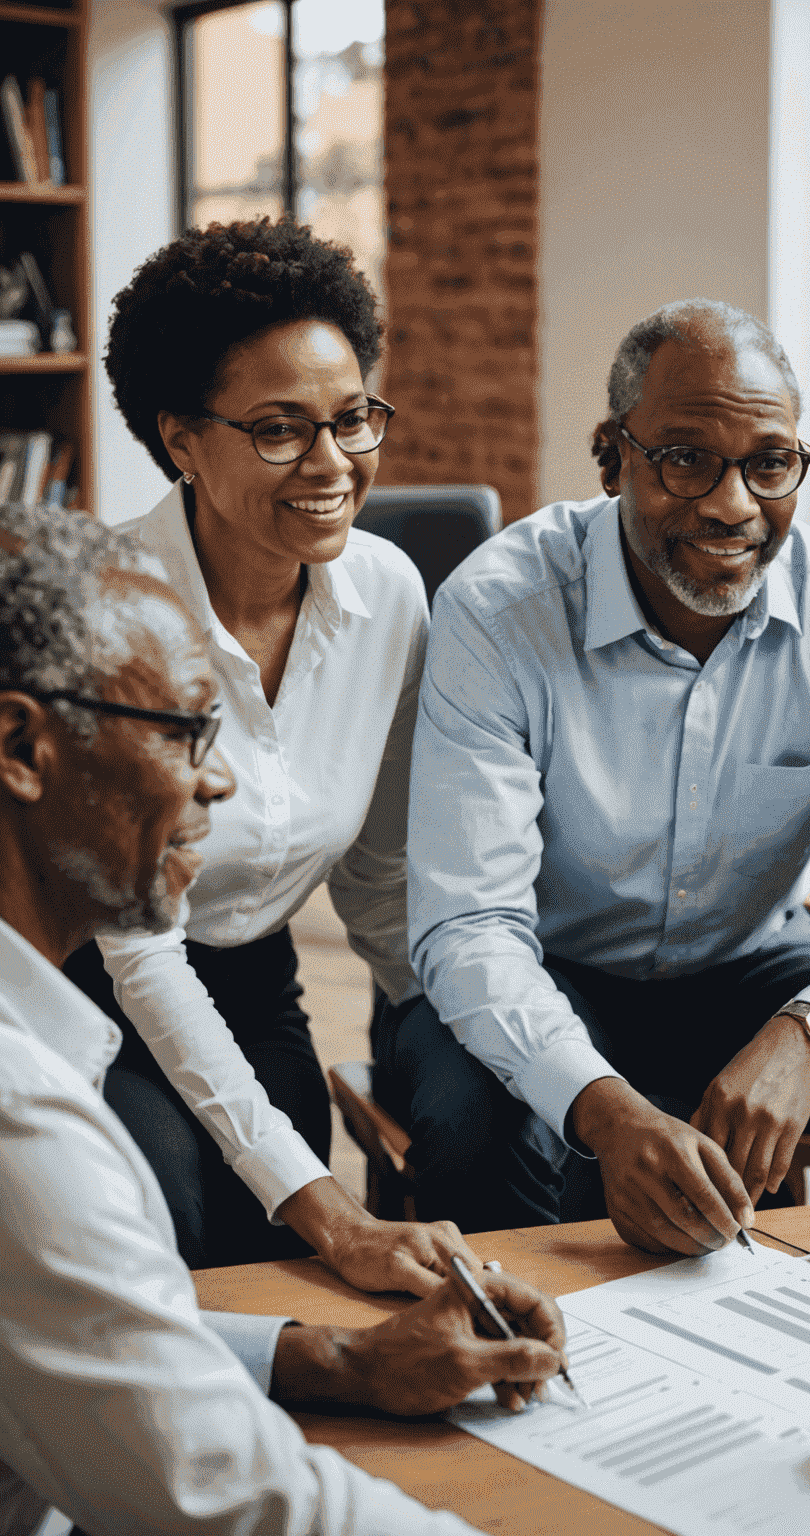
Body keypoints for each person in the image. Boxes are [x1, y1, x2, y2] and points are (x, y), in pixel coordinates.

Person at [0, 502, 569, 1535]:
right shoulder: (23, 1122)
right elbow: (240, 1495)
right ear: (21, 747)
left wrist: (337, 1356)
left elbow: (76, 1332)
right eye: (183, 731)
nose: (220, 778)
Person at [383, 298, 810, 1253]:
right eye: (685, 458)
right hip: (542, 964)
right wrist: (605, 1110)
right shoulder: (501, 609)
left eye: (769, 462)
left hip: (751, 967)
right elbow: (470, 926)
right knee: (480, 1128)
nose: (732, 503)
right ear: (612, 455)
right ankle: (541, 1370)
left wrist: (808, 1030)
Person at [58, 217, 476, 1283]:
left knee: (279, 1250)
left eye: (353, 419)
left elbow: (381, 872)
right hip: (84, 978)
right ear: (182, 440)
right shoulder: (105, 616)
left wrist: (461, 1031)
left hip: (252, 972)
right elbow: (138, 951)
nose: (332, 464)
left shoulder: (388, 595)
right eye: (282, 430)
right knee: (170, 1216)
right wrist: (338, 1212)